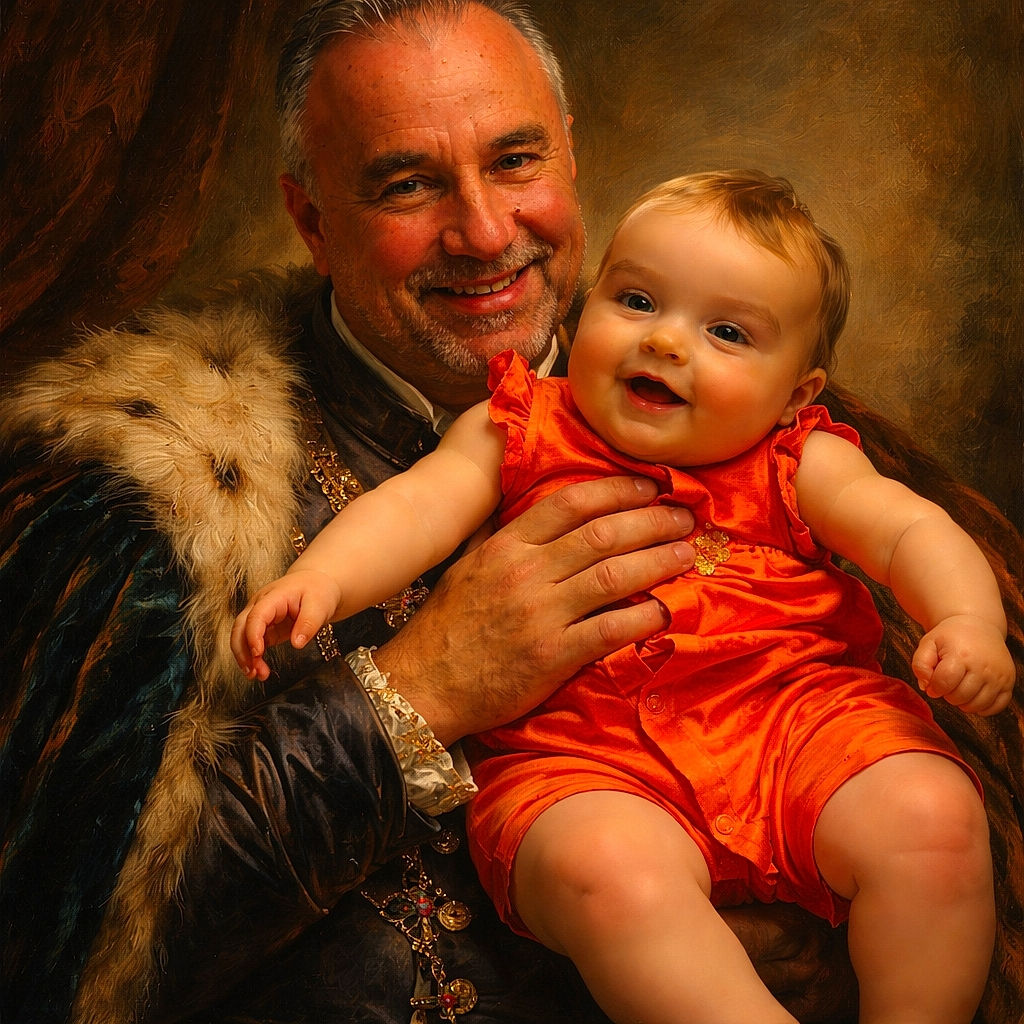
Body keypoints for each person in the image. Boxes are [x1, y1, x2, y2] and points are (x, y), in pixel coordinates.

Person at [0, 4, 871, 1023]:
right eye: (408, 183)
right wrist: (412, 694)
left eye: (515, 161)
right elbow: (70, 952)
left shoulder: (766, 426)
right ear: (312, 222)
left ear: (570, 159)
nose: (487, 234)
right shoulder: (138, 495)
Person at [232, 170, 1014, 1023]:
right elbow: (414, 508)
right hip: (584, 760)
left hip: (797, 724)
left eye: (726, 332)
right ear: (583, 310)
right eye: (637, 301)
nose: (667, 342)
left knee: (932, 817)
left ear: (796, 394)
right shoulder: (523, 425)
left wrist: (967, 619)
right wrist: (324, 577)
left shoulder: (800, 459)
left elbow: (910, 531)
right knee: (603, 874)